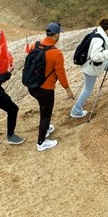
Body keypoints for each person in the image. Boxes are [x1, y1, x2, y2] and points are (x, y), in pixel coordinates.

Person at [26, 22, 74, 152]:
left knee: (43, 110)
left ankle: (46, 128)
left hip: (32, 86)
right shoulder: (56, 53)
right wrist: (67, 89)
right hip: (46, 89)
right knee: (46, 115)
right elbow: (61, 74)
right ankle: (41, 143)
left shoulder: (35, 45)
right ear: (56, 35)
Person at [70, 18, 108, 118]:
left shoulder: (99, 32)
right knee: (88, 89)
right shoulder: (98, 39)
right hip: (91, 67)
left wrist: (107, 53)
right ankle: (76, 110)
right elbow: (95, 57)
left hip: (101, 63)